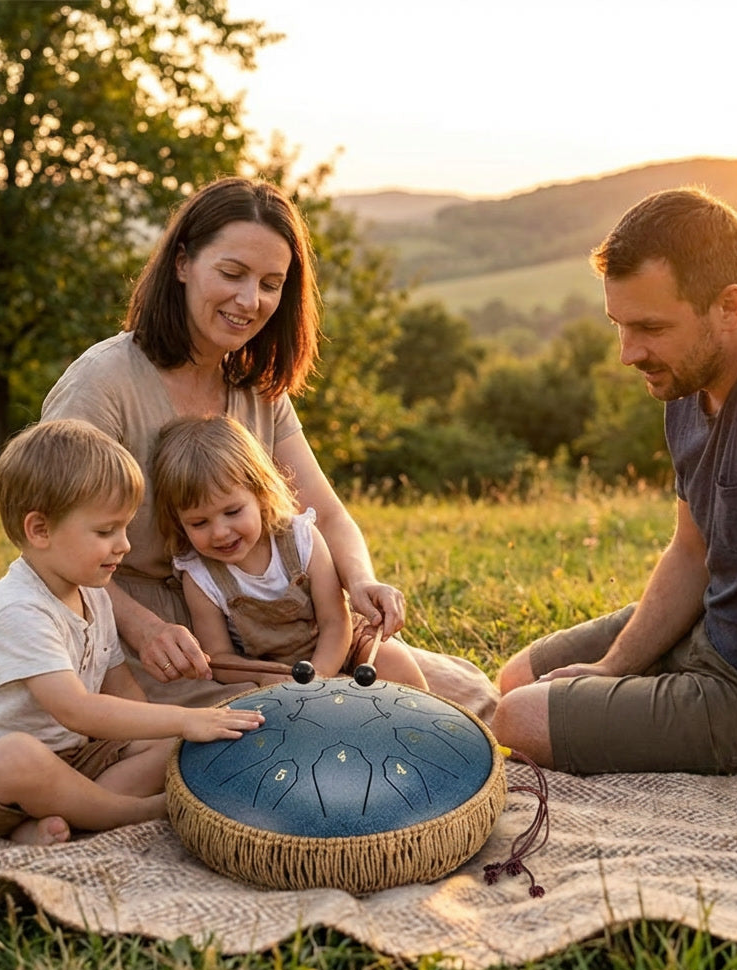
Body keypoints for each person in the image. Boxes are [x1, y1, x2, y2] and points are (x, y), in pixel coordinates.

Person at [492, 187, 737, 858]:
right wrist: (611, 667)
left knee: (517, 718)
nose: (629, 353)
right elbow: (691, 552)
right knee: (517, 681)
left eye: (650, 328)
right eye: (620, 327)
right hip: (718, 627)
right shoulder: (689, 380)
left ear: (729, 305)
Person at [41, 176, 496, 717]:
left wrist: (361, 578)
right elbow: (53, 549)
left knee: (462, 701)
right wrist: (146, 630)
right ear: (183, 263)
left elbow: (322, 511)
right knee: (265, 736)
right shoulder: (103, 384)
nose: (250, 301)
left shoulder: (256, 385)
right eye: (231, 274)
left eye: (271, 284)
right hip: (146, 638)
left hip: (267, 629)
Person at [0, 419, 264, 846]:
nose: (124, 545)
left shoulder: (93, 592)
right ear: (39, 530)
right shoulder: (17, 607)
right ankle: (131, 812)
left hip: (71, 760)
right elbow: (76, 710)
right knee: (16, 755)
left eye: (126, 528)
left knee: (168, 746)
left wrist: (175, 732)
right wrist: (190, 718)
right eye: (105, 531)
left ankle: (62, 820)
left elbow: (122, 691)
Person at [152, 414, 429, 688]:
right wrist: (264, 675)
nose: (220, 532)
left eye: (233, 511)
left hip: (342, 644)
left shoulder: (300, 538)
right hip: (272, 669)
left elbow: (335, 622)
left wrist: (317, 681)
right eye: (199, 523)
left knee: (399, 667)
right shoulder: (200, 576)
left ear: (260, 494)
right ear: (179, 522)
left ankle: (427, 726)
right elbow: (220, 659)